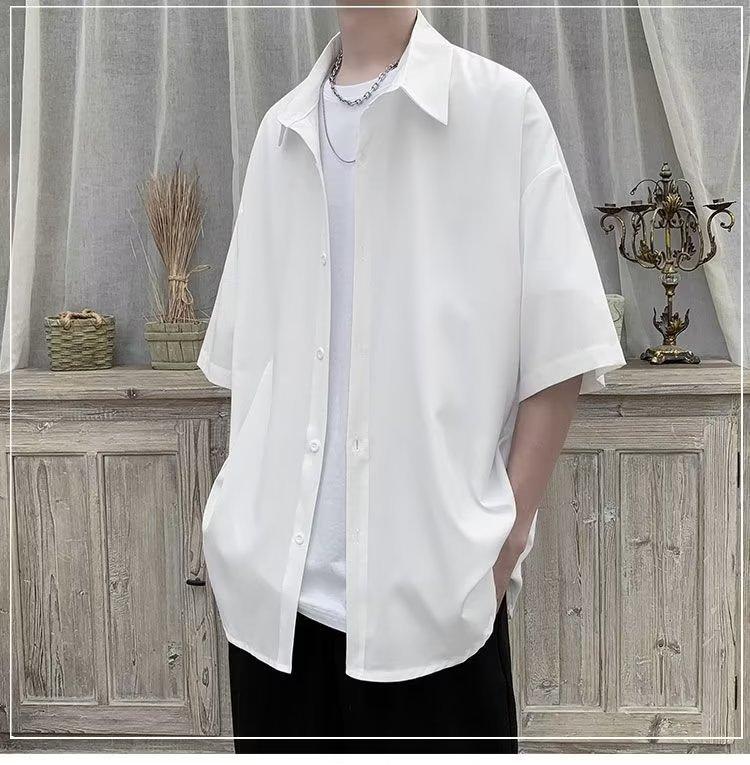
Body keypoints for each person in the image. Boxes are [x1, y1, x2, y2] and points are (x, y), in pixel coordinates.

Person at [197, 4, 626, 754]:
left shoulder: (500, 111)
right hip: (275, 609)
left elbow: (560, 350)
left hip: (436, 607)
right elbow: (254, 359)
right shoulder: (281, 132)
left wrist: (502, 544)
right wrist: (236, 527)